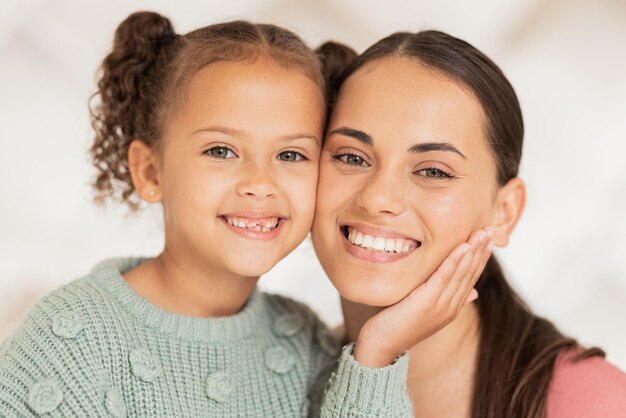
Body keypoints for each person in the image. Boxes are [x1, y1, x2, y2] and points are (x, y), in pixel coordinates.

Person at [0, 12, 489, 417]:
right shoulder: (69, 338)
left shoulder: (309, 346)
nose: (260, 183)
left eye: (292, 155)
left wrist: (377, 354)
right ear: (151, 171)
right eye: (221, 150)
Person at [312, 30, 626, 417]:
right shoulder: (272, 379)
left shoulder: (595, 403)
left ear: (505, 212)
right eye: (352, 157)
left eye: (433, 171)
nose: (377, 198)